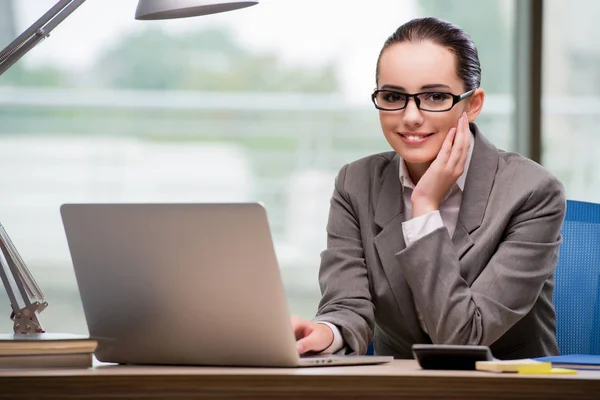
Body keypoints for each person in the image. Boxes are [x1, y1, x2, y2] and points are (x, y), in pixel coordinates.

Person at [291, 16, 566, 360]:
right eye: (393, 96)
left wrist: (424, 206)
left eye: (435, 96)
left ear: (474, 104)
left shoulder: (531, 192)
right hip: (400, 388)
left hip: (503, 390)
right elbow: (348, 305)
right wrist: (328, 333)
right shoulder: (355, 184)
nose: (410, 116)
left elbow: (464, 338)